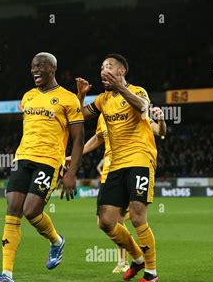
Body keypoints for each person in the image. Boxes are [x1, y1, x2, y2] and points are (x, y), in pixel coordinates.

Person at [0, 52, 85, 282]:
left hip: (49, 161)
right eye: (32, 66)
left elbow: (79, 137)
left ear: (53, 68)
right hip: (23, 158)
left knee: (31, 211)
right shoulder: (28, 97)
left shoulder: (67, 98)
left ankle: (56, 241)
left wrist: (71, 173)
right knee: (13, 207)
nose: (35, 70)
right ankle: (6, 274)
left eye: (40, 65)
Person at [77, 53, 160, 282]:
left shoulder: (137, 91)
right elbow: (80, 115)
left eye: (109, 66)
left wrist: (120, 88)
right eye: (102, 66)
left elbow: (143, 107)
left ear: (121, 71)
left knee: (136, 215)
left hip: (140, 159)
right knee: (106, 221)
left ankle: (151, 273)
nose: (104, 70)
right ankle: (137, 257)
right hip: (115, 164)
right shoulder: (103, 100)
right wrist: (80, 96)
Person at [66, 106, 166, 273]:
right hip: (109, 174)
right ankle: (136, 258)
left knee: (127, 219)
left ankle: (131, 263)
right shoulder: (103, 115)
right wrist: (75, 155)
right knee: (104, 222)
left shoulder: (132, 112)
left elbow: (159, 131)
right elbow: (97, 138)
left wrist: (161, 120)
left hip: (131, 168)